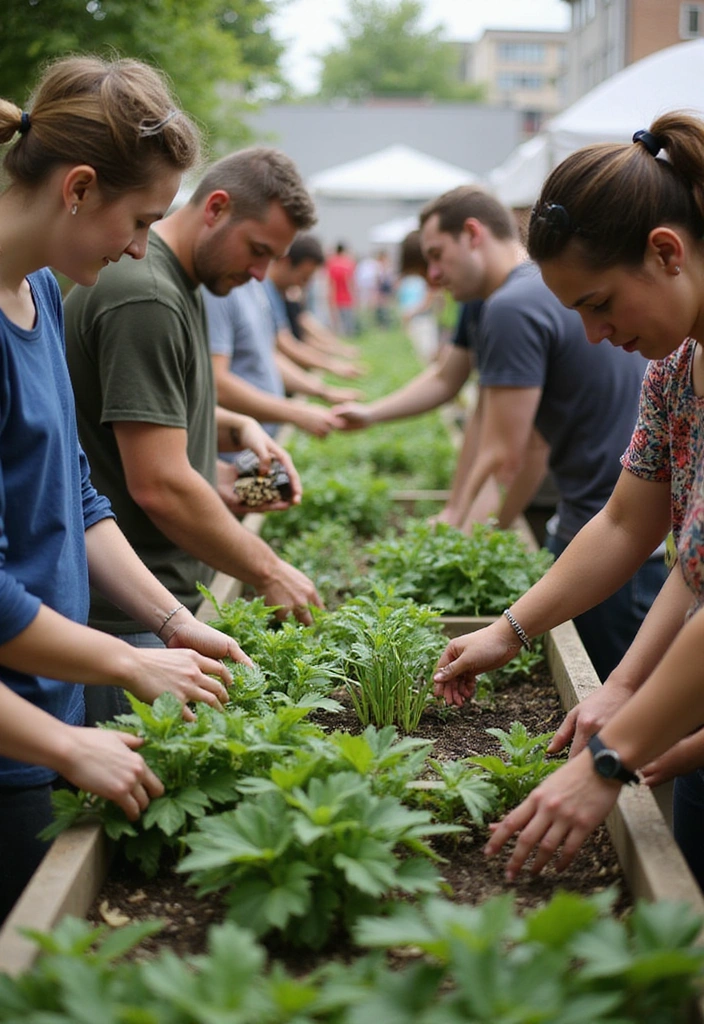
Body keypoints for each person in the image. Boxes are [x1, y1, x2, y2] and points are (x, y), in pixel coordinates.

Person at [0, 55, 255, 923]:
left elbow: (75, 491)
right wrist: (125, 662)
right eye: (140, 219)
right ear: (77, 189)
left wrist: (173, 623)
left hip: (50, 717)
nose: (142, 248)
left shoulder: (38, 290)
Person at [433, 112, 704, 888]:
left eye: (599, 302)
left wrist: (610, 761)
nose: (590, 335)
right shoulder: (673, 372)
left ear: (665, 252)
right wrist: (512, 631)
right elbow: (630, 525)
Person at [334, 186, 664, 681]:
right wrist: (455, 514)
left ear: (472, 234)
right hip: (604, 532)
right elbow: (485, 425)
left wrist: (464, 551)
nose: (432, 275)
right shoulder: (507, 298)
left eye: (437, 256)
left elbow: (513, 456)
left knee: (625, 716)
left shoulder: (512, 305)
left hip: (611, 551)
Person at [64, 146, 325, 726]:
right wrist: (269, 570)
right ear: (216, 207)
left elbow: (156, 419)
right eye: (258, 250)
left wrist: (239, 433)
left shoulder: (179, 283)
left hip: (158, 606)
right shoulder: (147, 295)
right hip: (127, 618)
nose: (261, 274)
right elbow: (160, 484)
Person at [205, 237, 363, 440]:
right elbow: (219, 381)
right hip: (235, 442)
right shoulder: (224, 292)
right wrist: (298, 411)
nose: (302, 284)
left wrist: (325, 387)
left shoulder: (258, 289)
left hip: (259, 436)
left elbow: (270, 353)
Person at [326, 242, 357, 336]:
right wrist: (354, 294)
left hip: (335, 296)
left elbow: (331, 282)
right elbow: (350, 281)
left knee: (337, 319)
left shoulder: (331, 263)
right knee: (348, 318)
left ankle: (339, 335)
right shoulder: (348, 263)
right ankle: (349, 334)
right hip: (347, 295)